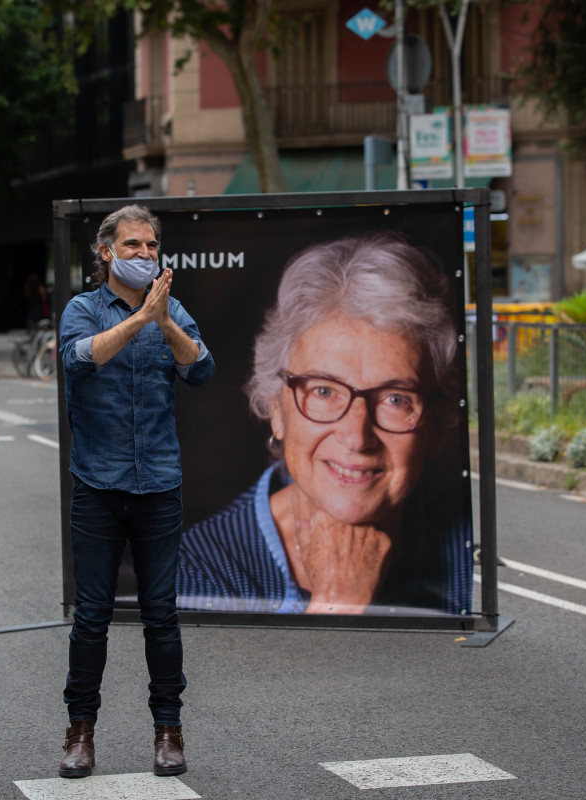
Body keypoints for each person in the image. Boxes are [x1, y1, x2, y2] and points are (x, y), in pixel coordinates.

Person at [177, 232, 472, 617]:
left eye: (395, 399)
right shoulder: (194, 572)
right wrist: (339, 603)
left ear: (437, 425)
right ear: (276, 409)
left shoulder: (468, 556)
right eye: (323, 391)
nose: (357, 437)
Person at [57, 204, 215, 779]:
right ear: (106, 253)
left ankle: (168, 732)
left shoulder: (170, 310)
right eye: (132, 246)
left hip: (159, 485)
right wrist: (138, 320)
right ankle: (79, 733)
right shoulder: (82, 310)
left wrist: (164, 320)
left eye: (151, 246)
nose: (145, 254)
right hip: (98, 485)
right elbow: (78, 359)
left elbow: (201, 369)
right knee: (92, 618)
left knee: (161, 617)